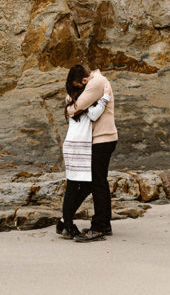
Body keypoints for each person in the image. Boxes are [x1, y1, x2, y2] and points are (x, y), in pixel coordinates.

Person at [56, 64, 110, 240]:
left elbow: (75, 107)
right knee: (83, 185)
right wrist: (105, 98)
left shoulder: (77, 97)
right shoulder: (82, 102)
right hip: (80, 145)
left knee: (81, 185)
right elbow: (93, 114)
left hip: (77, 144)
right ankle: (69, 224)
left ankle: (65, 222)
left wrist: (71, 107)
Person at [67, 66, 117, 242]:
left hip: (102, 140)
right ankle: (104, 224)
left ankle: (100, 226)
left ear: (84, 80)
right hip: (100, 140)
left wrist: (70, 109)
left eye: (79, 86)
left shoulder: (97, 83)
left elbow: (76, 105)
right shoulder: (94, 83)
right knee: (99, 182)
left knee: (97, 183)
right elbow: (70, 97)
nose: (79, 89)